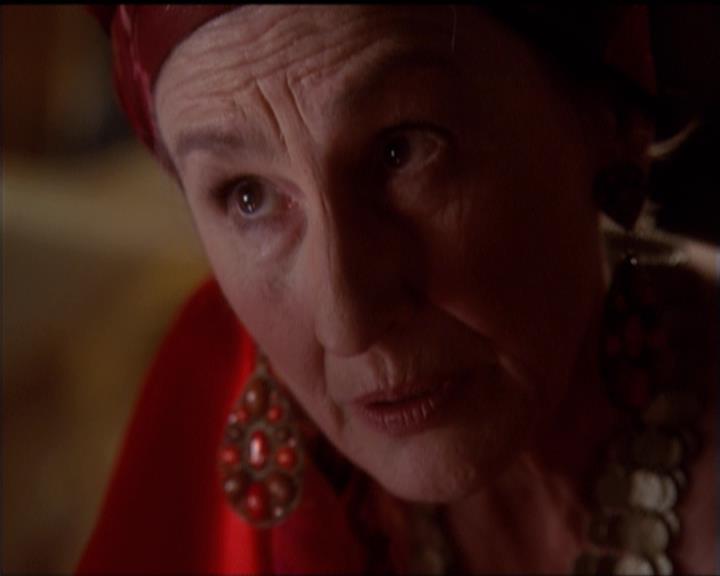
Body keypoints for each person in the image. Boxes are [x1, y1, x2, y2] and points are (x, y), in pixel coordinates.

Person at [78, 5, 718, 574]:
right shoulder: (206, 390)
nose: (347, 322)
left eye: (401, 151)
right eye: (248, 197)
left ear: (612, 116)